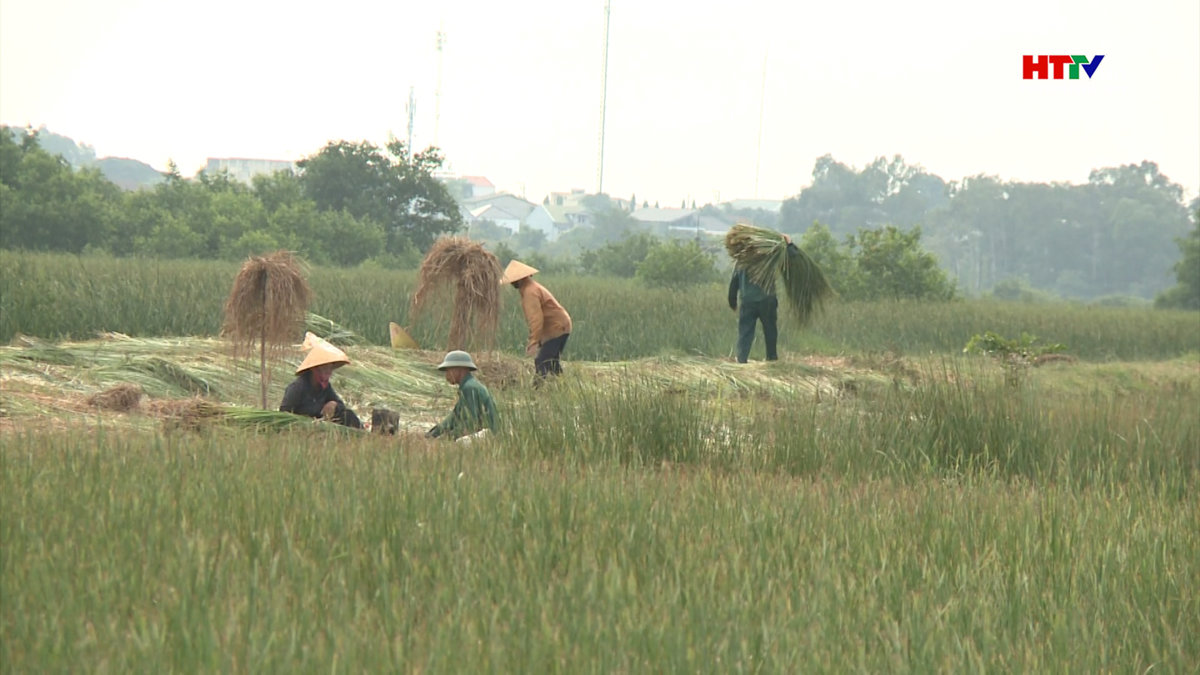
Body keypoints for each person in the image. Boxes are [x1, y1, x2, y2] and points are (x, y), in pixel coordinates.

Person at [728, 235, 797, 363]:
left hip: (747, 301)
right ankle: (771, 359)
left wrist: (732, 301)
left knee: (745, 331)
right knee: (770, 330)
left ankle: (742, 360)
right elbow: (792, 259)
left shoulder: (742, 259)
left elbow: (734, 281)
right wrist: (790, 244)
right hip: (767, 300)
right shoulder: (768, 257)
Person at [500, 260, 572, 378]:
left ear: (520, 279)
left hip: (557, 327)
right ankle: (562, 386)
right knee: (552, 362)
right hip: (561, 325)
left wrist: (534, 342)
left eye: (513, 280)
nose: (511, 283)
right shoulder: (530, 288)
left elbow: (536, 319)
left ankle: (539, 389)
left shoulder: (530, 292)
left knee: (541, 361)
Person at [279, 334, 362, 428]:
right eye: (325, 368)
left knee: (348, 415)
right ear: (315, 369)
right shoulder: (297, 387)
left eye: (330, 368)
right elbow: (284, 414)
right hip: (303, 427)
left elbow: (341, 406)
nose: (329, 371)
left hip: (320, 426)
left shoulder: (325, 387)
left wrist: (334, 405)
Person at [426, 350, 497, 439]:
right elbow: (454, 417)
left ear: (460, 369)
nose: (447, 375)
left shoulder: (470, 388)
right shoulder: (469, 386)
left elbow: (471, 423)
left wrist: (447, 437)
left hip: (488, 435)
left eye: (449, 370)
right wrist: (435, 432)